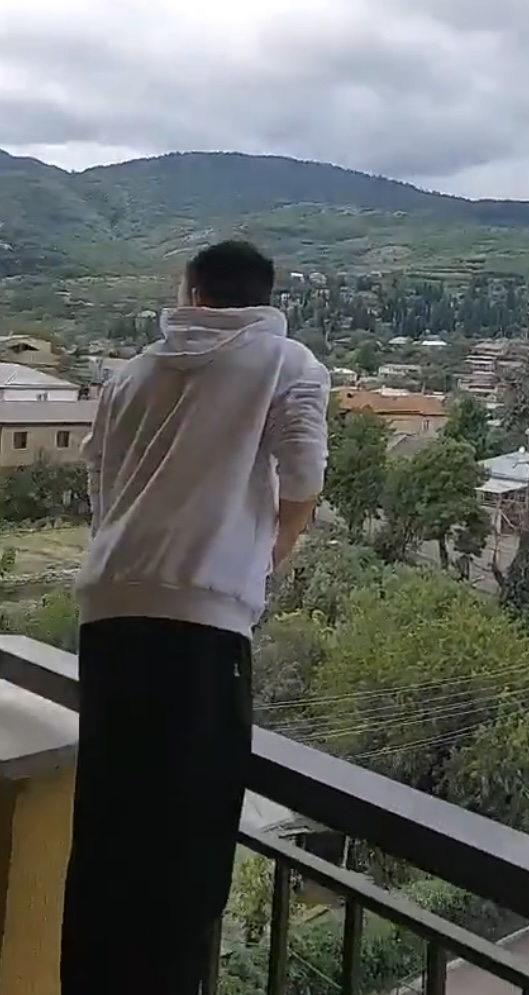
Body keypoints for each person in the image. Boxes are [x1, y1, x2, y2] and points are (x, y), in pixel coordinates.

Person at [61, 241, 330, 995]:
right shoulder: (287, 363)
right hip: (202, 630)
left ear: (194, 293)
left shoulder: (130, 374)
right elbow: (304, 476)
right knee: (184, 853)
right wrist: (267, 556)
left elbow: (100, 481)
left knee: (108, 835)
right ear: (265, 297)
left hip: (111, 616)